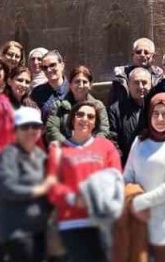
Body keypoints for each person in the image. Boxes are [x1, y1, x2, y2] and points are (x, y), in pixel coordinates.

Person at [45, 99, 124, 262]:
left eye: (90, 116)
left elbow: (116, 179)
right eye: (80, 115)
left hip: (103, 222)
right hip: (72, 222)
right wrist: (74, 198)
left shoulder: (106, 147)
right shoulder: (58, 149)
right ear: (72, 118)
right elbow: (52, 188)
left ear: (95, 123)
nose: (85, 119)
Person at [123, 93, 165, 262]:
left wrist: (139, 203)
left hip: (164, 225)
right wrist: (129, 200)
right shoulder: (139, 141)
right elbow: (127, 175)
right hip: (137, 223)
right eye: (156, 113)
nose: (160, 118)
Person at [0, 107, 55, 262]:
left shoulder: (40, 155)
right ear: (16, 130)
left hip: (39, 229)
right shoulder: (8, 154)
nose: (30, 130)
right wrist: (40, 189)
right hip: (17, 232)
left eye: (35, 126)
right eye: (25, 126)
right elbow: (7, 188)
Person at [0, 64, 35, 179]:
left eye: (27, 82)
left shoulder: (30, 107)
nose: (23, 84)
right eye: (20, 80)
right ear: (9, 81)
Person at [45, 65, 111, 144]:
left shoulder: (98, 106)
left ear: (90, 85)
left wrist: (90, 145)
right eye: (77, 81)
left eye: (85, 82)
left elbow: (103, 130)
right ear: (70, 85)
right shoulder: (59, 106)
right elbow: (51, 130)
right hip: (66, 151)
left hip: (91, 152)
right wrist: (69, 144)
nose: (81, 85)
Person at [108, 66, 153, 164]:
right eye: (136, 82)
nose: (140, 86)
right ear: (128, 84)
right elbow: (112, 139)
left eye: (144, 83)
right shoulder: (116, 109)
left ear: (151, 84)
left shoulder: (156, 107)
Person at [108, 37, 164, 105]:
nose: (142, 55)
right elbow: (113, 106)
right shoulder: (121, 78)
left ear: (153, 56)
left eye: (146, 52)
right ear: (132, 55)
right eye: (138, 52)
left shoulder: (160, 78)